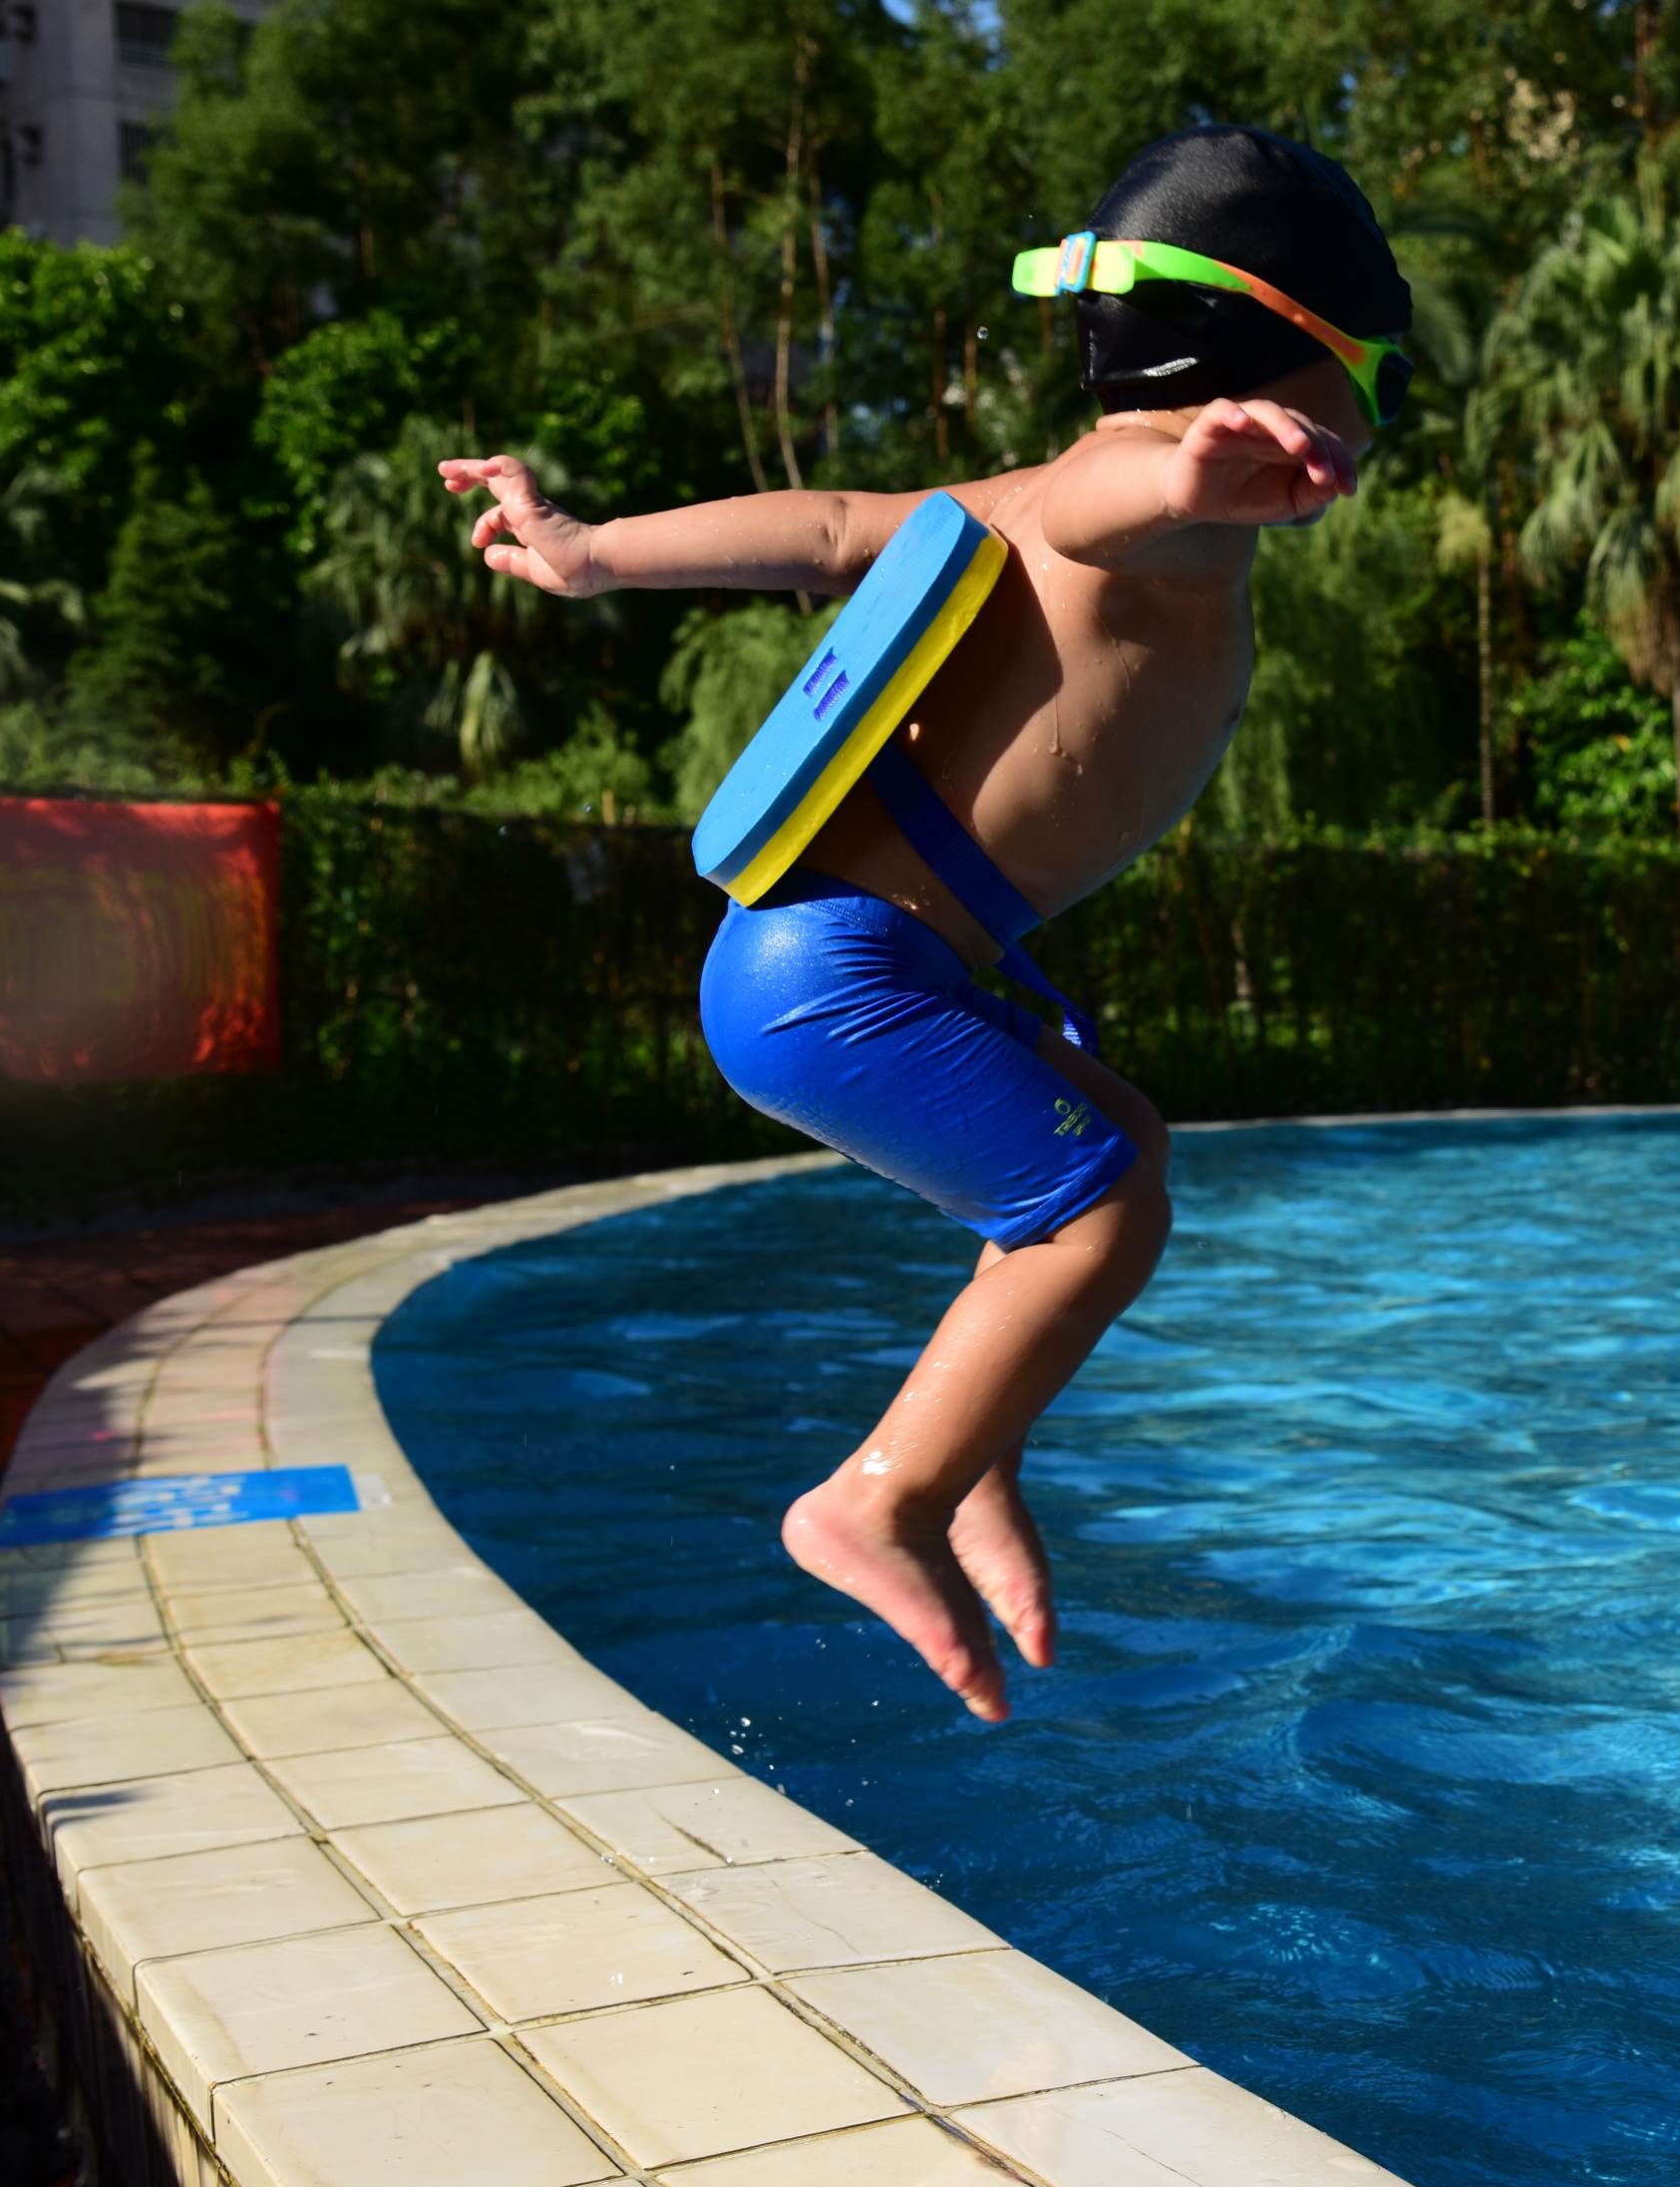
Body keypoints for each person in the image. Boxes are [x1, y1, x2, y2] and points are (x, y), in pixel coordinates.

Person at [438, 127, 1413, 1722]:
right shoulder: (1139, 493)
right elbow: (1118, 487)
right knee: (1098, 1220)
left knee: (1122, 1150)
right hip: (841, 975)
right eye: (1360, 379)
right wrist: (1179, 463)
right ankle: (874, 1498)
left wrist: (596, 553)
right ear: (1278, 353)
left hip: (861, 962)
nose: (1352, 432)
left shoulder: (1043, 493)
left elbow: (829, 529)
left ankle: (974, 1469)